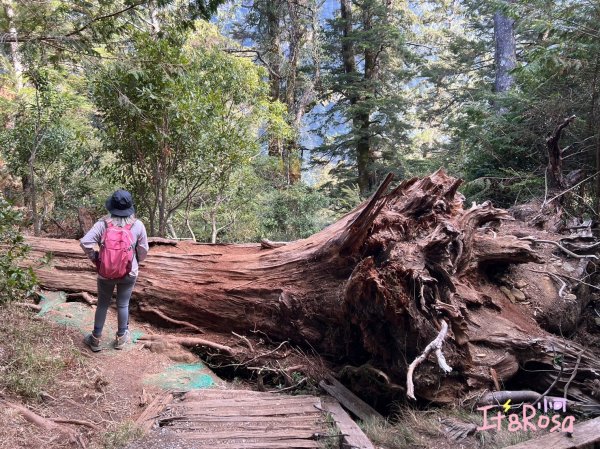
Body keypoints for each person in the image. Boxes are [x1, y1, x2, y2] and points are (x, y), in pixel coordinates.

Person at [80, 189, 149, 352]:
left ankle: (95, 339)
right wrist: (135, 260)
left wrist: (95, 258)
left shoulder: (102, 224)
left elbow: (85, 242)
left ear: (112, 206)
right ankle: (120, 337)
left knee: (103, 304)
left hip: (105, 273)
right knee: (123, 304)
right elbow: (143, 250)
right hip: (129, 273)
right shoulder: (138, 225)